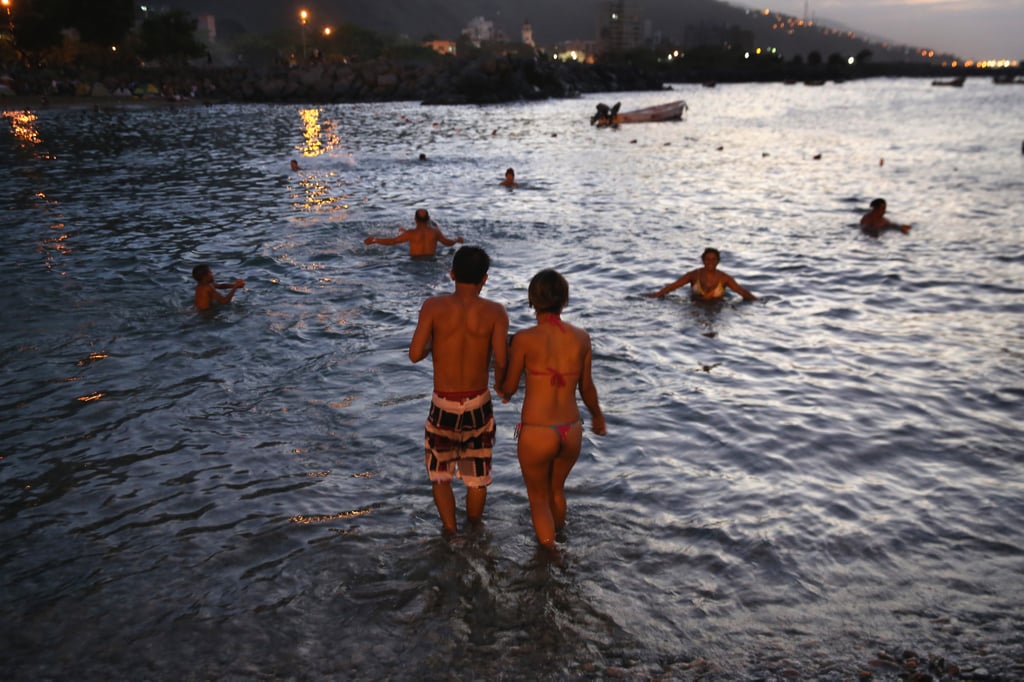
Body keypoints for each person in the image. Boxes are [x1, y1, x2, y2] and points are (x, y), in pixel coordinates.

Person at [498, 269, 606, 549]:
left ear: (532, 300)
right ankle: (561, 540)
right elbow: (587, 387)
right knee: (556, 490)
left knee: (537, 498)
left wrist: (501, 384)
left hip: (538, 431)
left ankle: (550, 554)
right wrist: (597, 416)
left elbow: (509, 388)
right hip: (571, 430)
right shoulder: (582, 337)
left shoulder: (523, 338)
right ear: (564, 300)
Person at [409, 246, 509, 537]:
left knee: (440, 475)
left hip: (443, 404)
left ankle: (450, 533)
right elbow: (501, 361)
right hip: (479, 402)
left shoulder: (433, 307)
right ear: (485, 279)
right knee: (477, 477)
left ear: (452, 274)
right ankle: (474, 532)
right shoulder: (495, 312)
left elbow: (415, 354)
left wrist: (433, 346)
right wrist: (502, 387)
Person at [646, 247, 757, 301]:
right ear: (702, 260)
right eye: (707, 259)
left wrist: (757, 301)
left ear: (718, 261)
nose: (710, 262)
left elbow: (741, 291)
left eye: (713, 259)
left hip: (716, 309)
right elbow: (674, 286)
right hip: (695, 307)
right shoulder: (693, 275)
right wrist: (657, 295)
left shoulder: (724, 278)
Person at [364, 209, 464, 259]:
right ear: (428, 219)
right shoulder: (435, 231)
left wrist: (375, 240)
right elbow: (447, 242)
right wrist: (456, 240)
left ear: (415, 219)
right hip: (431, 260)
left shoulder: (411, 234)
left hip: (415, 261)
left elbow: (392, 241)